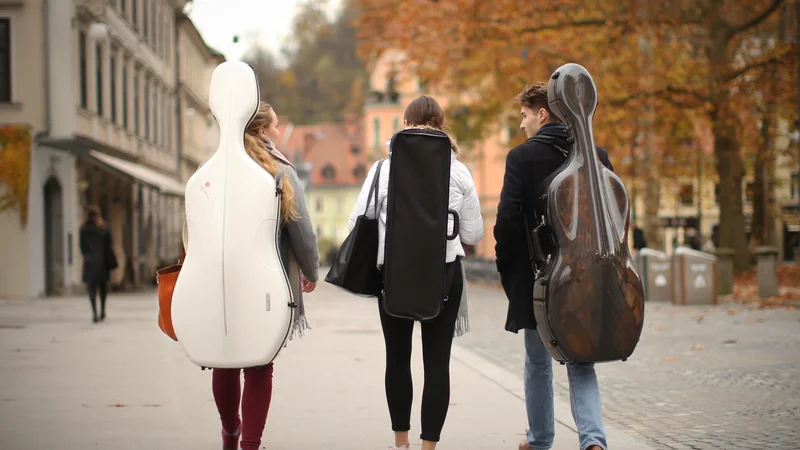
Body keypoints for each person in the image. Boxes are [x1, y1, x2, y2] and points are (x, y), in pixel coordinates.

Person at [349, 95, 484, 450]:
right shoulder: (458, 171)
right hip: (443, 275)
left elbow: (356, 222)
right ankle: (429, 447)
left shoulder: (383, 169)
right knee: (437, 363)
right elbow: (473, 234)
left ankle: (401, 442)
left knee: (397, 358)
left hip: (393, 275)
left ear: (405, 125)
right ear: (442, 127)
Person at [494, 83, 613, 450]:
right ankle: (593, 441)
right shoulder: (596, 154)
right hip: (588, 275)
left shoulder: (521, 157)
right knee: (581, 358)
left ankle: (541, 440)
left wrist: (509, 269)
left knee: (538, 361)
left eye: (524, 116)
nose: (522, 125)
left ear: (541, 113)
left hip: (541, 277)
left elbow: (507, 221)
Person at [208, 102, 320, 450]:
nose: (277, 131)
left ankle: (230, 432)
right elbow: (301, 230)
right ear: (260, 131)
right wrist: (310, 270)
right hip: (267, 282)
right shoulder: (280, 170)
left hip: (222, 280)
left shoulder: (213, 168)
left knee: (224, 359)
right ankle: (250, 446)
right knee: (259, 365)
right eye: (273, 126)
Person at [79, 205, 117, 323]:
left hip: (89, 263)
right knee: (103, 288)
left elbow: (82, 246)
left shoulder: (83, 228)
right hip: (102, 263)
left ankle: (94, 313)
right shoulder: (104, 228)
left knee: (91, 288)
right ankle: (102, 311)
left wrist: (87, 256)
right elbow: (109, 246)